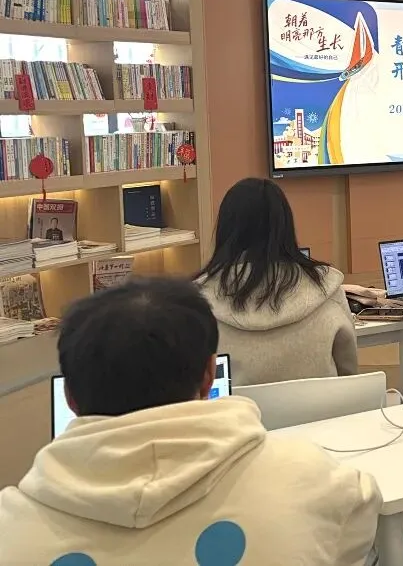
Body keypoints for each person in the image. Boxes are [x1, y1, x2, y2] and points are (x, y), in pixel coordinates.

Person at [0, 278, 381, 565]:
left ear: (70, 397)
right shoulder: (311, 479)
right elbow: (358, 530)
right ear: (208, 375)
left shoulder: (11, 530)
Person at [196, 177, 358, 386]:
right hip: (322, 407)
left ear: (226, 229)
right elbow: (349, 374)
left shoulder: (197, 300)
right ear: (285, 226)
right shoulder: (326, 287)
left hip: (236, 408)